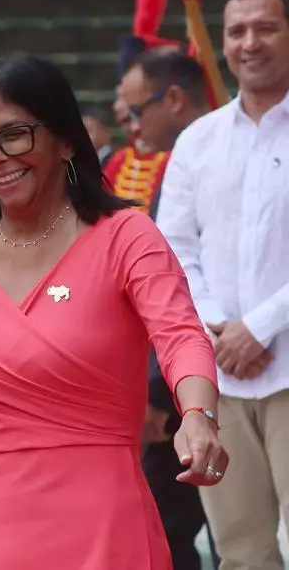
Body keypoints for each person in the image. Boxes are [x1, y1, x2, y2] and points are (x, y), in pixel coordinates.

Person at [0, 54, 227, 570]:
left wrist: (198, 415)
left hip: (104, 533)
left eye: (14, 135)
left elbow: (181, 335)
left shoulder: (126, 236)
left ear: (64, 139)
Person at [156, 0, 289, 570]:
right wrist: (218, 327)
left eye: (266, 27)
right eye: (237, 31)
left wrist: (259, 327)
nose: (250, 43)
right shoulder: (198, 141)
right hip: (221, 382)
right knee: (240, 552)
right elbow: (172, 250)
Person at [119, 47, 222, 570]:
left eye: (140, 110)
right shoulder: (177, 160)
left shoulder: (211, 154)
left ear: (175, 98)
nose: (135, 126)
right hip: (188, 377)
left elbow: (174, 284)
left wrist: (158, 392)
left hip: (232, 373)